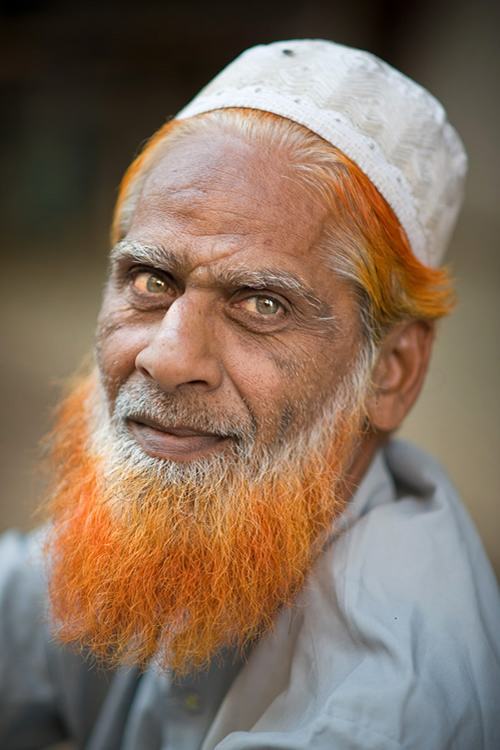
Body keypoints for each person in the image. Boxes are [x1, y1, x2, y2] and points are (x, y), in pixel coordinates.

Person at [0, 39, 499, 750]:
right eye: (151, 281)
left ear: (391, 371)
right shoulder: (206, 500)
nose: (169, 358)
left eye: (262, 304)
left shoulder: (373, 715)